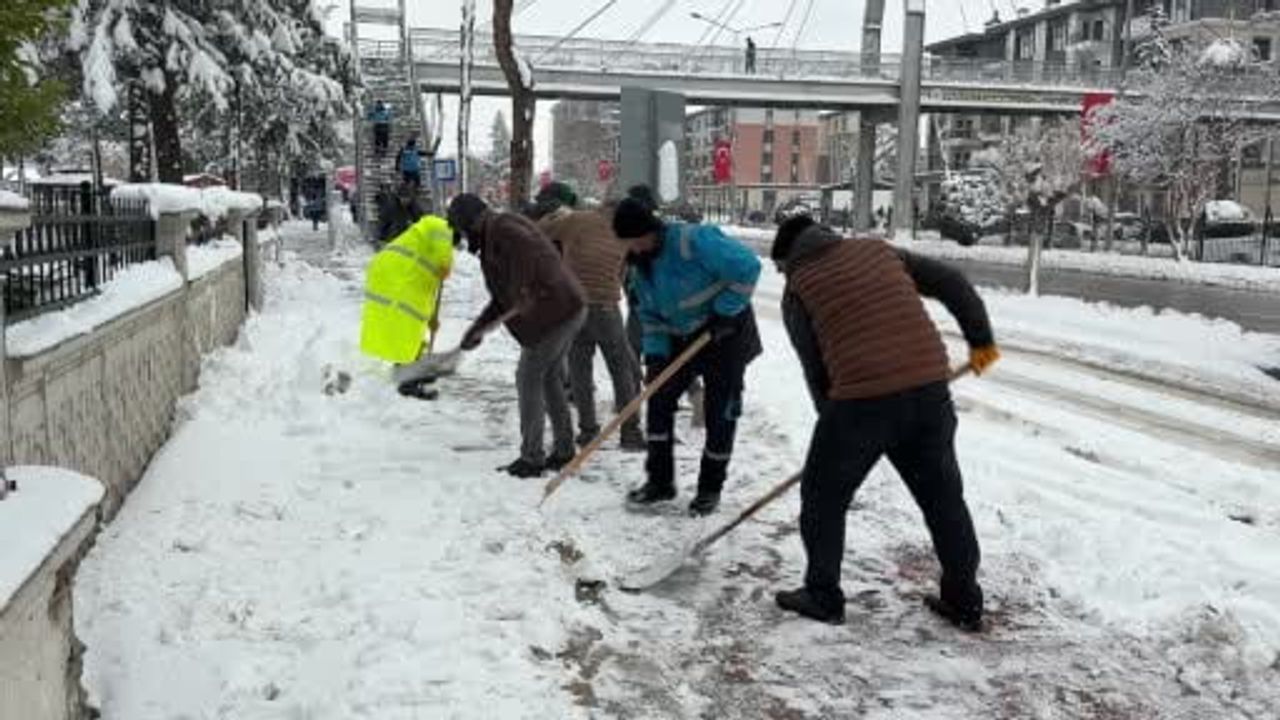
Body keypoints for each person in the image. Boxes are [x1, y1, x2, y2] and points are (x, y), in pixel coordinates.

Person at [768, 214, 1001, 630]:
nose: (783, 275)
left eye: (780, 268)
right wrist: (981, 340)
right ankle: (964, 600)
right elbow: (953, 283)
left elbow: (816, 370)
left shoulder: (798, 287)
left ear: (788, 258)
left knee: (822, 497)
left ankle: (823, 596)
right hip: (929, 391)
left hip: (862, 403)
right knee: (943, 499)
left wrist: (836, 434)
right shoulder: (878, 250)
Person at [611, 196, 762, 516]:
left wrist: (725, 313)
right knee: (658, 402)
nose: (633, 248)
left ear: (651, 230)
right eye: (628, 243)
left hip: (725, 332)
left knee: (721, 411)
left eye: (636, 240)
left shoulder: (693, 241)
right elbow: (650, 316)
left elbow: (748, 267)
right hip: (678, 336)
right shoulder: (639, 267)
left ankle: (710, 489)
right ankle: (660, 482)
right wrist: (655, 356)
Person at [447, 193, 588, 478]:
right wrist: (477, 330)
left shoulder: (504, 229)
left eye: (461, 228)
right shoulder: (494, 235)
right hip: (564, 307)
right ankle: (563, 449)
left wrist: (523, 289)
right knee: (548, 378)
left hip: (556, 311)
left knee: (528, 377)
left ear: (470, 222)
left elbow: (529, 254)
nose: (462, 236)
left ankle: (532, 458)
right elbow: (502, 300)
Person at [534, 182, 644, 451]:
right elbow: (623, 271)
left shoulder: (577, 220)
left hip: (574, 307)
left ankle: (588, 430)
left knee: (580, 369)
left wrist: (556, 215)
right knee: (621, 369)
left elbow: (541, 230)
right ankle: (630, 432)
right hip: (606, 307)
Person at [360, 213, 458, 400]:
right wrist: (446, 265)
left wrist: (432, 317)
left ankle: (412, 371)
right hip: (396, 276)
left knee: (412, 326)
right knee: (408, 328)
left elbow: (430, 284)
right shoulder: (442, 228)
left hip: (397, 274)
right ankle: (408, 382)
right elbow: (442, 261)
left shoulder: (435, 234)